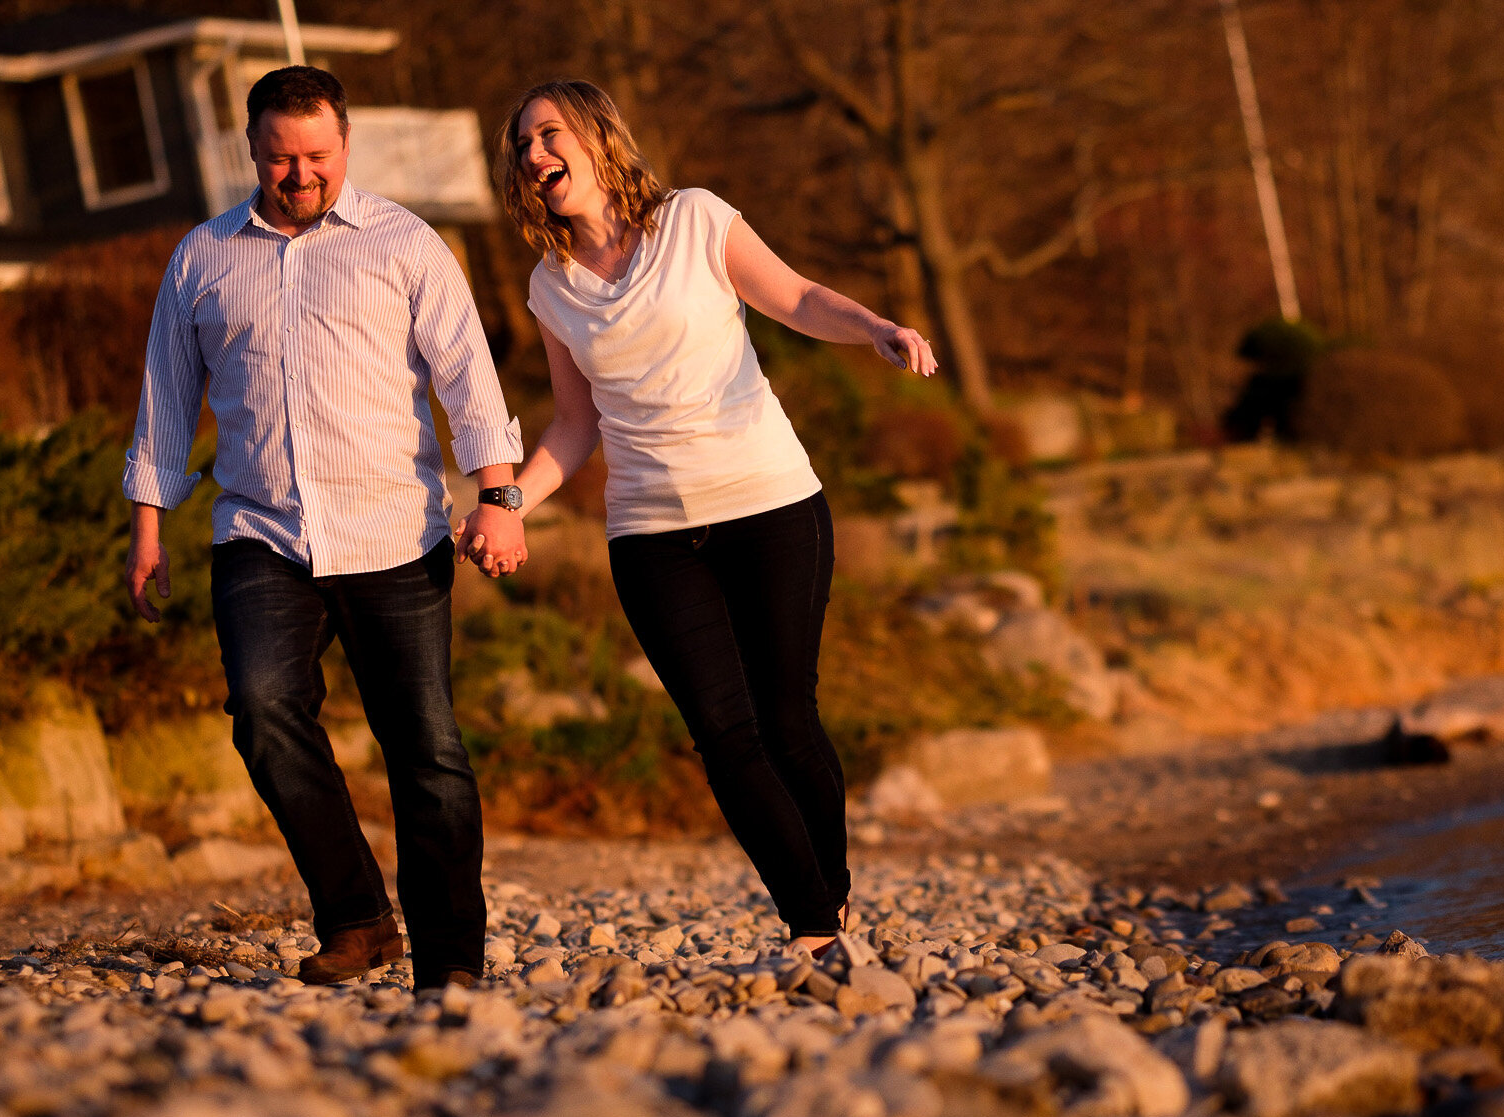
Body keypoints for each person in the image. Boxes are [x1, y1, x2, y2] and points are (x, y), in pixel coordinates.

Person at [464, 80, 936, 958]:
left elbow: (794, 298)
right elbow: (575, 424)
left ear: (600, 138)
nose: (532, 155)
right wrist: (508, 502)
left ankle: (829, 896)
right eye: (521, 144)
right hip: (650, 535)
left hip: (770, 505)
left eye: (548, 134)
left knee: (788, 720)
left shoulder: (695, 220)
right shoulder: (549, 286)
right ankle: (812, 924)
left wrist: (876, 327)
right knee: (724, 734)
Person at [124, 66, 525, 990]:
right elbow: (165, 402)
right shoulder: (203, 256)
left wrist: (497, 500)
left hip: (394, 536)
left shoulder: (405, 243)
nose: (298, 175)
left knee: (425, 745)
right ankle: (356, 917)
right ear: (252, 153)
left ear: (345, 147)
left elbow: (468, 377)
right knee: (264, 715)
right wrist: (148, 531)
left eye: (316, 156)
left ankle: (452, 958)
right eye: (278, 158)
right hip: (261, 536)